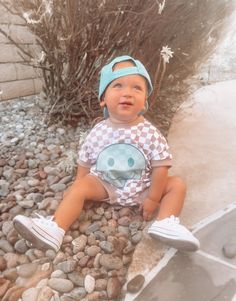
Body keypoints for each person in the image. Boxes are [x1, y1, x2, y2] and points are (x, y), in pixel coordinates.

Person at [13, 55, 200, 253]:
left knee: (176, 184)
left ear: (145, 100)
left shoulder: (150, 132)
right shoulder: (98, 131)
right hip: (106, 184)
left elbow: (161, 166)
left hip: (143, 186)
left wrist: (153, 198)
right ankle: (56, 229)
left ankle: (166, 222)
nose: (127, 93)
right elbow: (84, 161)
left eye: (137, 88)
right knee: (81, 187)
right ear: (103, 99)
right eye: (118, 86)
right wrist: (79, 186)